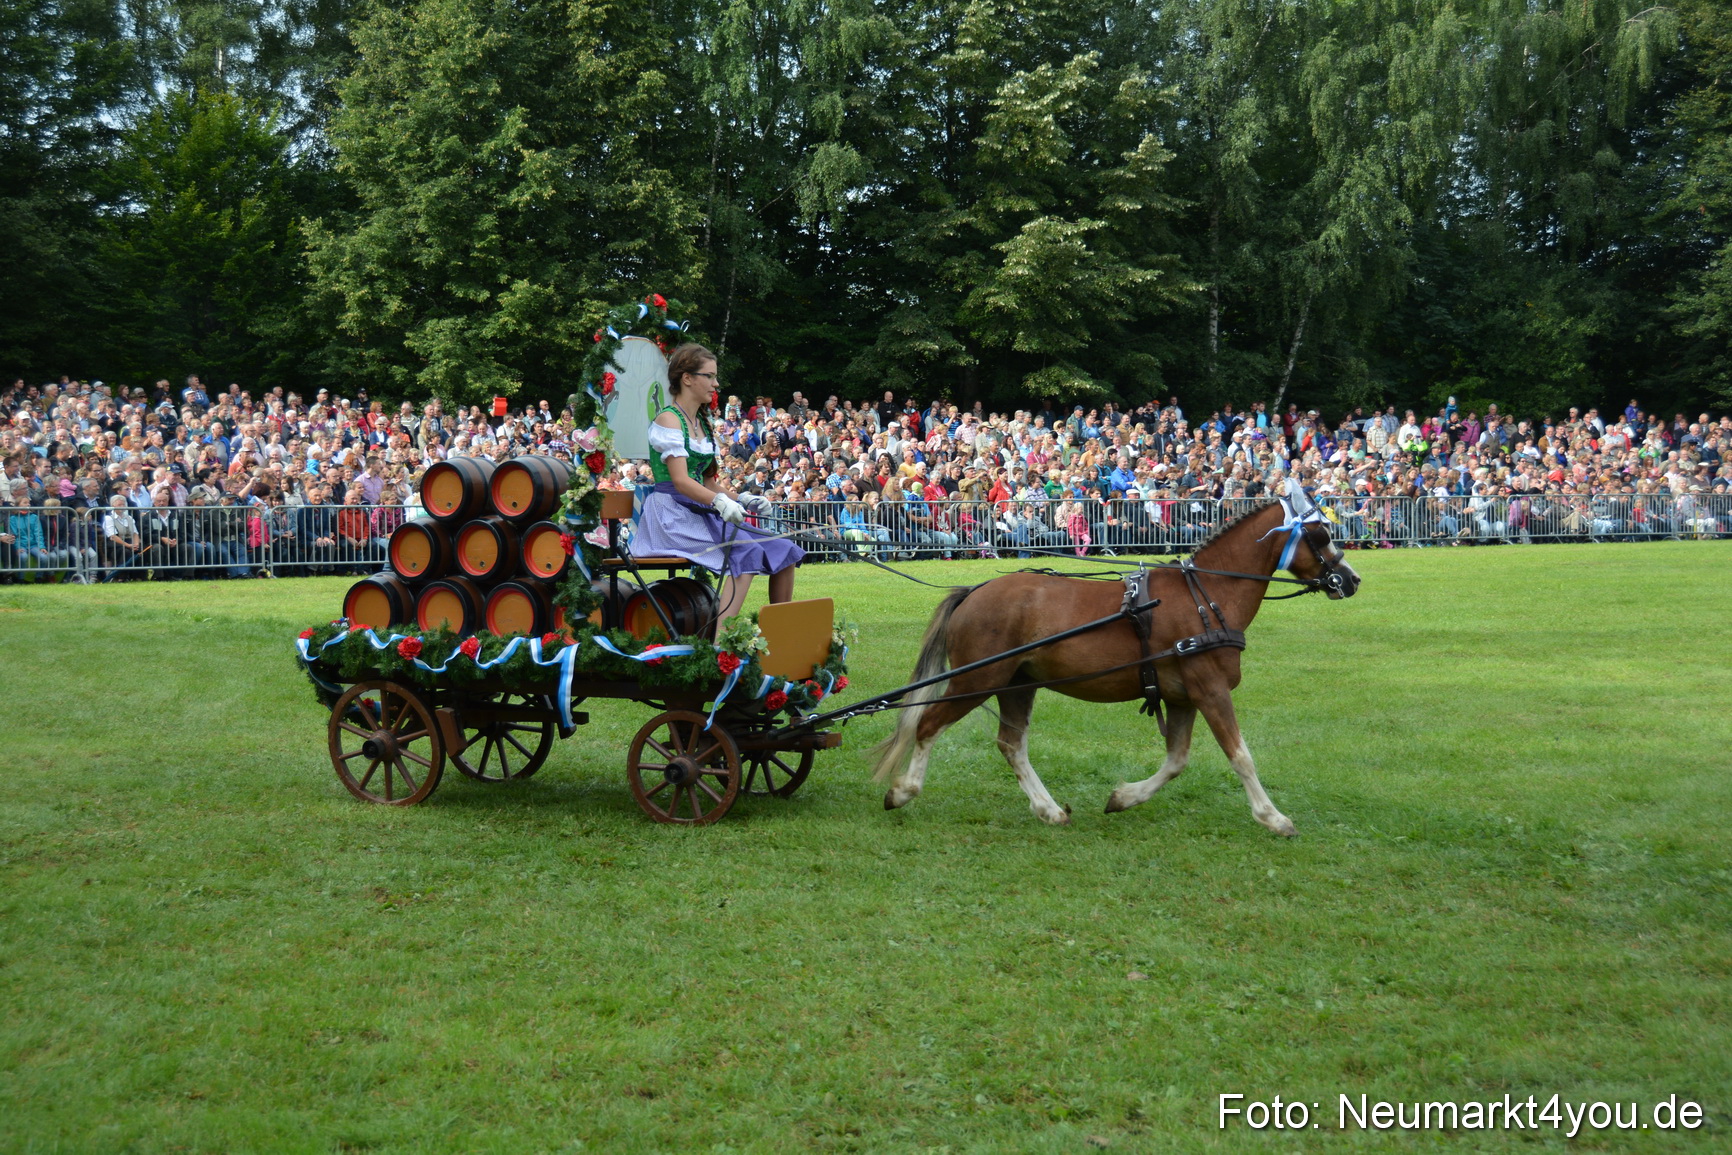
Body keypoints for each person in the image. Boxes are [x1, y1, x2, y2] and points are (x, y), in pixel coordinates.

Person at [630, 344, 804, 631]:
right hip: (671, 515)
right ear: (687, 378)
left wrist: (743, 499)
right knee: (746, 555)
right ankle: (722, 643)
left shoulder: (702, 423)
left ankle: (780, 634)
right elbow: (681, 481)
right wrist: (718, 502)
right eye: (709, 376)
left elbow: (708, 482)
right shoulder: (668, 420)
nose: (716, 384)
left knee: (784, 550)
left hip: (699, 508)